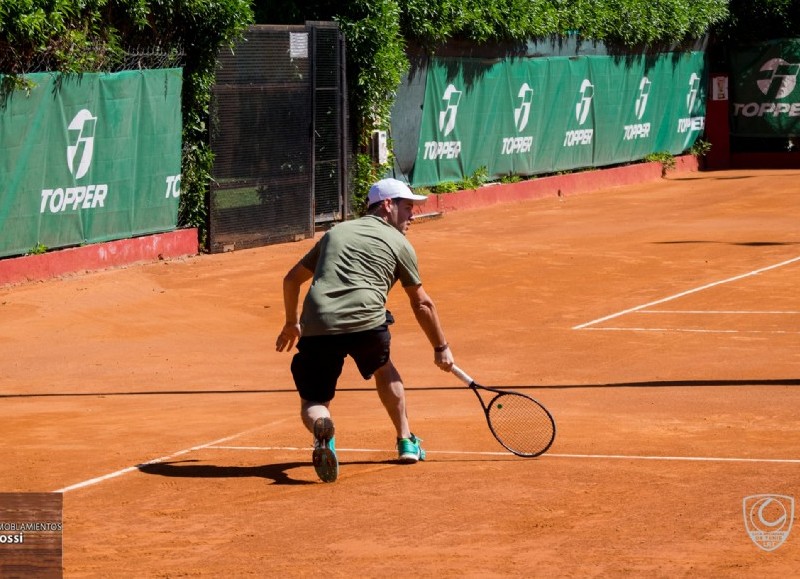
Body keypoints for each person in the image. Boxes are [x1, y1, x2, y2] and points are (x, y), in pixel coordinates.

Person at [275, 178, 455, 483]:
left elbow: (291, 280)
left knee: (314, 401)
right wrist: (441, 347)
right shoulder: (400, 244)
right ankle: (406, 441)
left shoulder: (335, 233)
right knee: (384, 369)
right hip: (367, 322)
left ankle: (323, 430)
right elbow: (422, 303)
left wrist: (292, 322)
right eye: (408, 207)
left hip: (318, 322)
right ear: (387, 205)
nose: (412, 216)